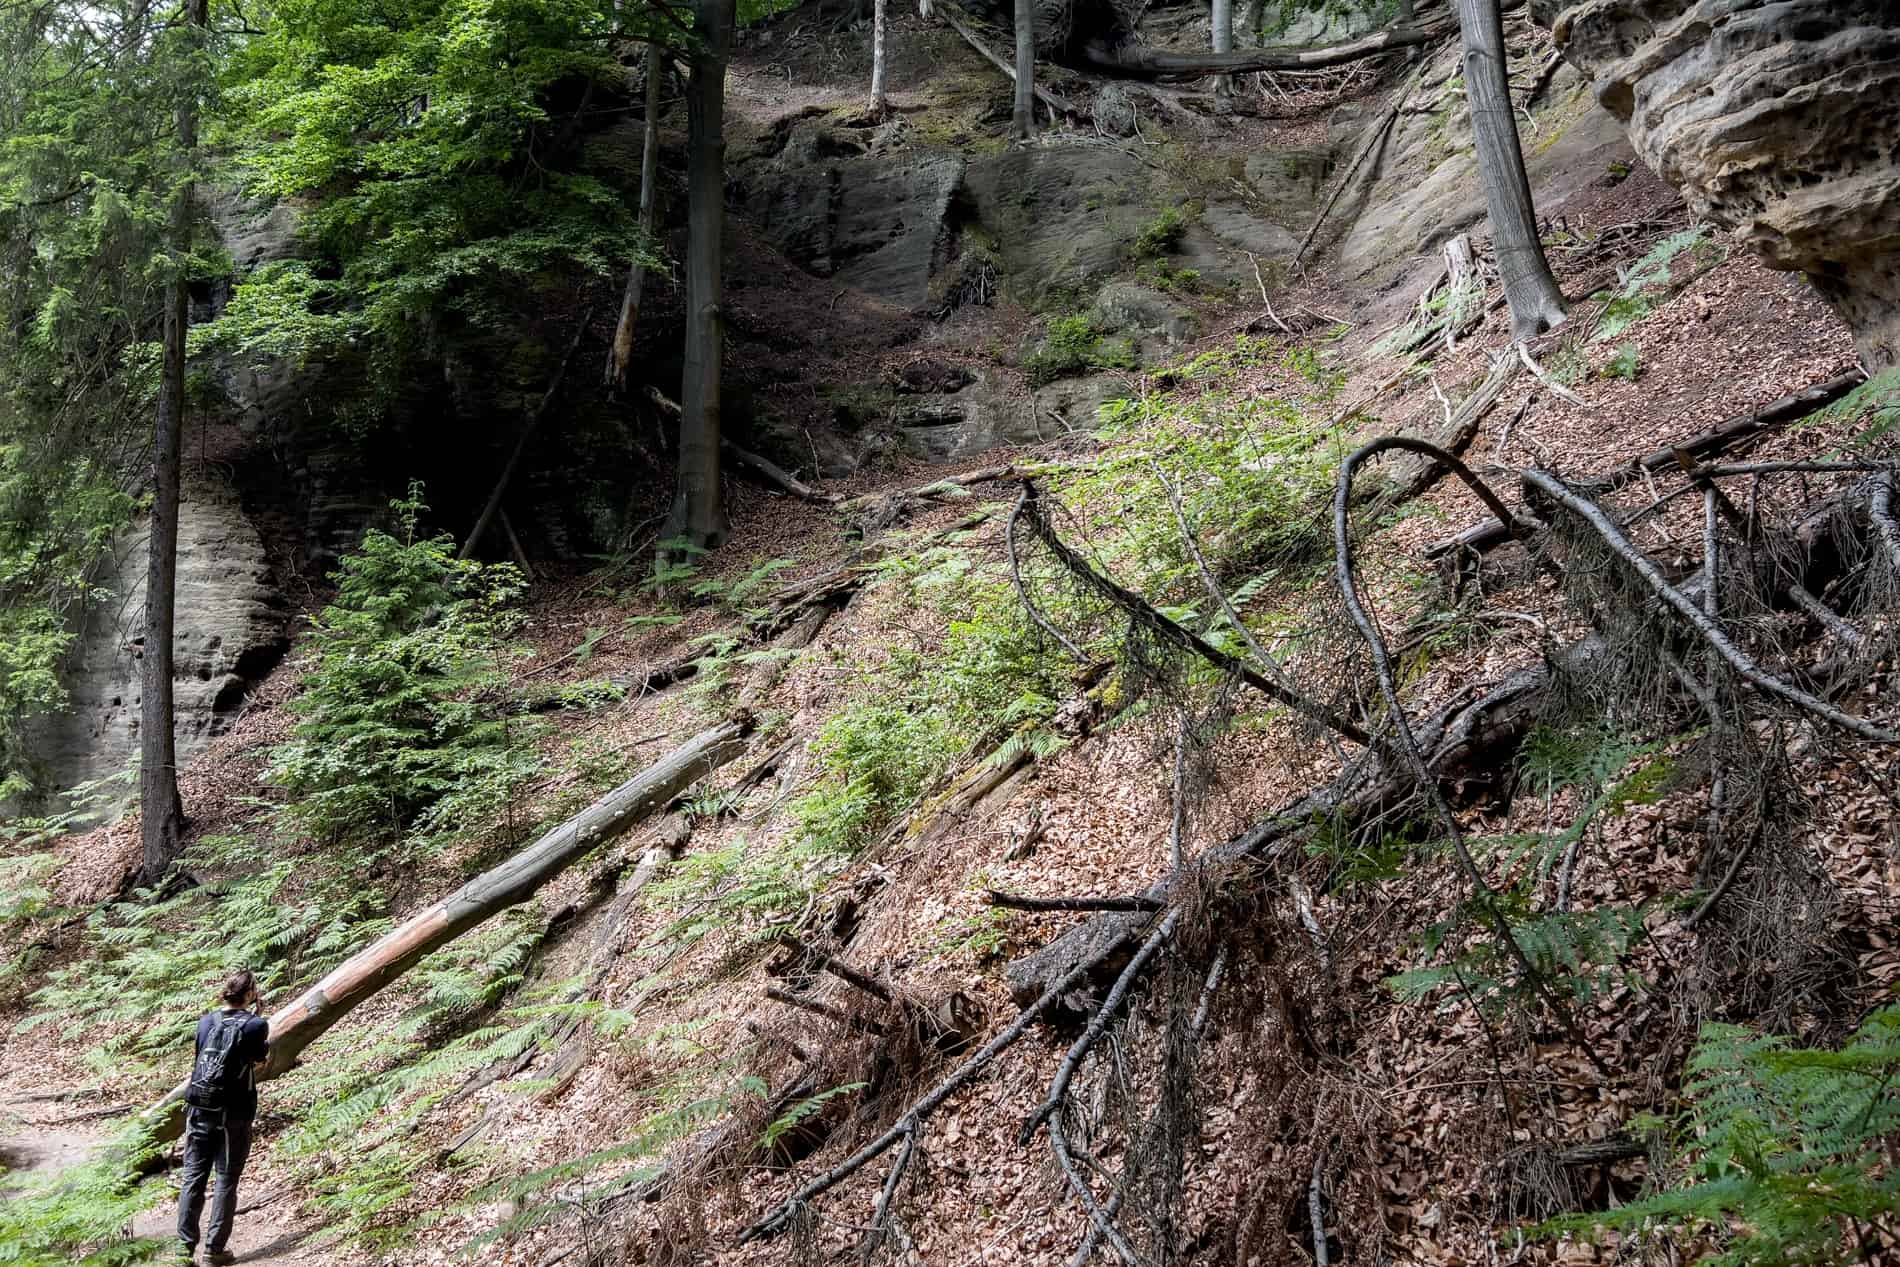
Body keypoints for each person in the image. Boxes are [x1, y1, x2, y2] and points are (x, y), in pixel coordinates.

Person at [176, 969, 270, 1266]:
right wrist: (259, 1015)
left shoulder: (206, 1021)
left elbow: (199, 1056)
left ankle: (183, 1250)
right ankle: (214, 1251)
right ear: (250, 993)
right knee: (226, 1180)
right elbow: (259, 1058)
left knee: (192, 1178)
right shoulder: (256, 1025)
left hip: (198, 1110)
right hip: (234, 1114)